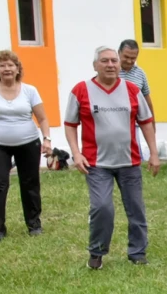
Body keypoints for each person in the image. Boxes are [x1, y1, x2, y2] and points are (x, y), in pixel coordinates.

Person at [64, 45, 160, 269]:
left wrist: (154, 153)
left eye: (114, 61)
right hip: (97, 164)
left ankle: (137, 253)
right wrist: (76, 154)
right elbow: (70, 125)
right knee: (102, 207)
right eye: (105, 61)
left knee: (136, 209)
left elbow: (146, 123)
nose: (111, 65)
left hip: (130, 162)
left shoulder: (132, 90)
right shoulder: (81, 90)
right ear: (95, 65)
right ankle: (96, 252)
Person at [0, 50, 51, 240]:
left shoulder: (29, 91)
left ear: (17, 69)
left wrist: (47, 139)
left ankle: (34, 224)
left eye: (11, 65)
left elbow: (42, 118)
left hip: (28, 143)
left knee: (30, 183)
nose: (7, 68)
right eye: (2, 65)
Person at [119, 39, 155, 160]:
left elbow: (147, 101)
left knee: (134, 157)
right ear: (119, 53)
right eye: (126, 57)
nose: (129, 61)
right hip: (114, 121)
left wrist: (152, 124)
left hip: (133, 123)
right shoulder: (111, 71)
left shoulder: (140, 74)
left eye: (133, 58)